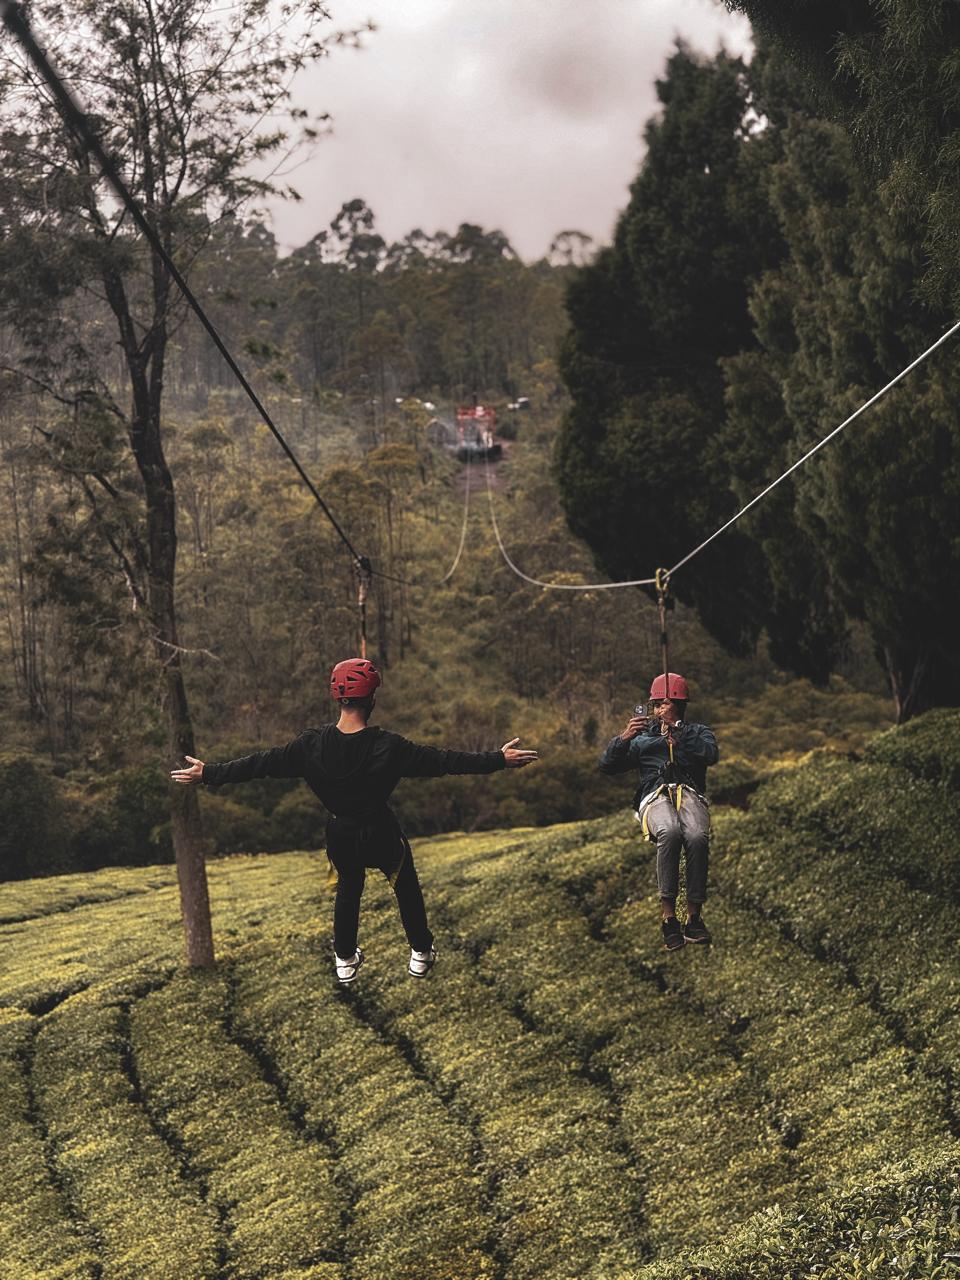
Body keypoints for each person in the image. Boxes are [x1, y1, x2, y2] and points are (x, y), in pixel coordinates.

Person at [171, 657, 538, 984]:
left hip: (340, 834)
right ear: (372, 699)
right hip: (380, 830)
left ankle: (345, 960)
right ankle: (420, 953)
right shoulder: (389, 747)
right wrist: (498, 759)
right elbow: (445, 761)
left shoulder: (310, 745)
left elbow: (261, 764)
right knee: (405, 885)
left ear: (338, 699)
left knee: (348, 888)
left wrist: (210, 773)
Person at [598, 672, 718, 951]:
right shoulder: (642, 739)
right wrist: (624, 738)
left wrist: (679, 730)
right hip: (655, 795)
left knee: (697, 836)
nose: (658, 710)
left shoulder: (697, 732)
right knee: (670, 831)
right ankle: (668, 917)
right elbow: (607, 765)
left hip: (689, 793)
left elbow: (710, 755)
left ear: (679, 706)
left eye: (663, 704)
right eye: (655, 705)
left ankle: (694, 917)